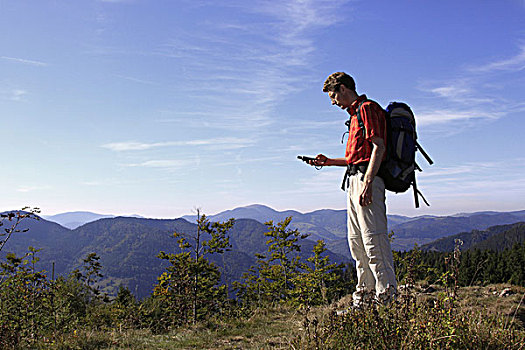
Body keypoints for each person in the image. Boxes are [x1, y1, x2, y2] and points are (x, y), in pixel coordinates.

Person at [310, 72, 397, 307]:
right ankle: (365, 296)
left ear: (343, 88)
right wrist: (328, 162)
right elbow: (355, 158)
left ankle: (387, 299)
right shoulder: (355, 115)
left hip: (367, 181)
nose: (333, 102)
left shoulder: (367, 109)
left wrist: (368, 182)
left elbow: (379, 147)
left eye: (333, 96)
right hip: (354, 180)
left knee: (373, 241)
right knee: (357, 242)